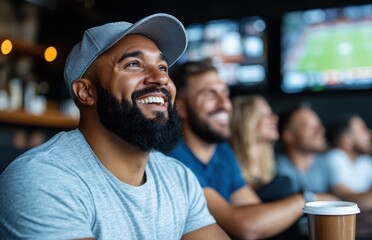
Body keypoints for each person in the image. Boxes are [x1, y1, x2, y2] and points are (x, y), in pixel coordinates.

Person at [0, 14, 229, 239]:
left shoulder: (179, 178)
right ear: (86, 92)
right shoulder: (43, 180)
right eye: (133, 64)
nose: (160, 79)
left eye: (162, 67)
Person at [166, 59, 326, 240]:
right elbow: (244, 226)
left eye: (224, 93)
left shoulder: (222, 150)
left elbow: (256, 214)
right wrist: (310, 198)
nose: (224, 104)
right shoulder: (174, 156)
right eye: (209, 94)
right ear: (181, 108)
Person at [274, 106, 338, 200]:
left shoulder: (324, 163)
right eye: (311, 127)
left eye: (319, 125)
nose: (320, 130)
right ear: (288, 135)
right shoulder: (275, 169)